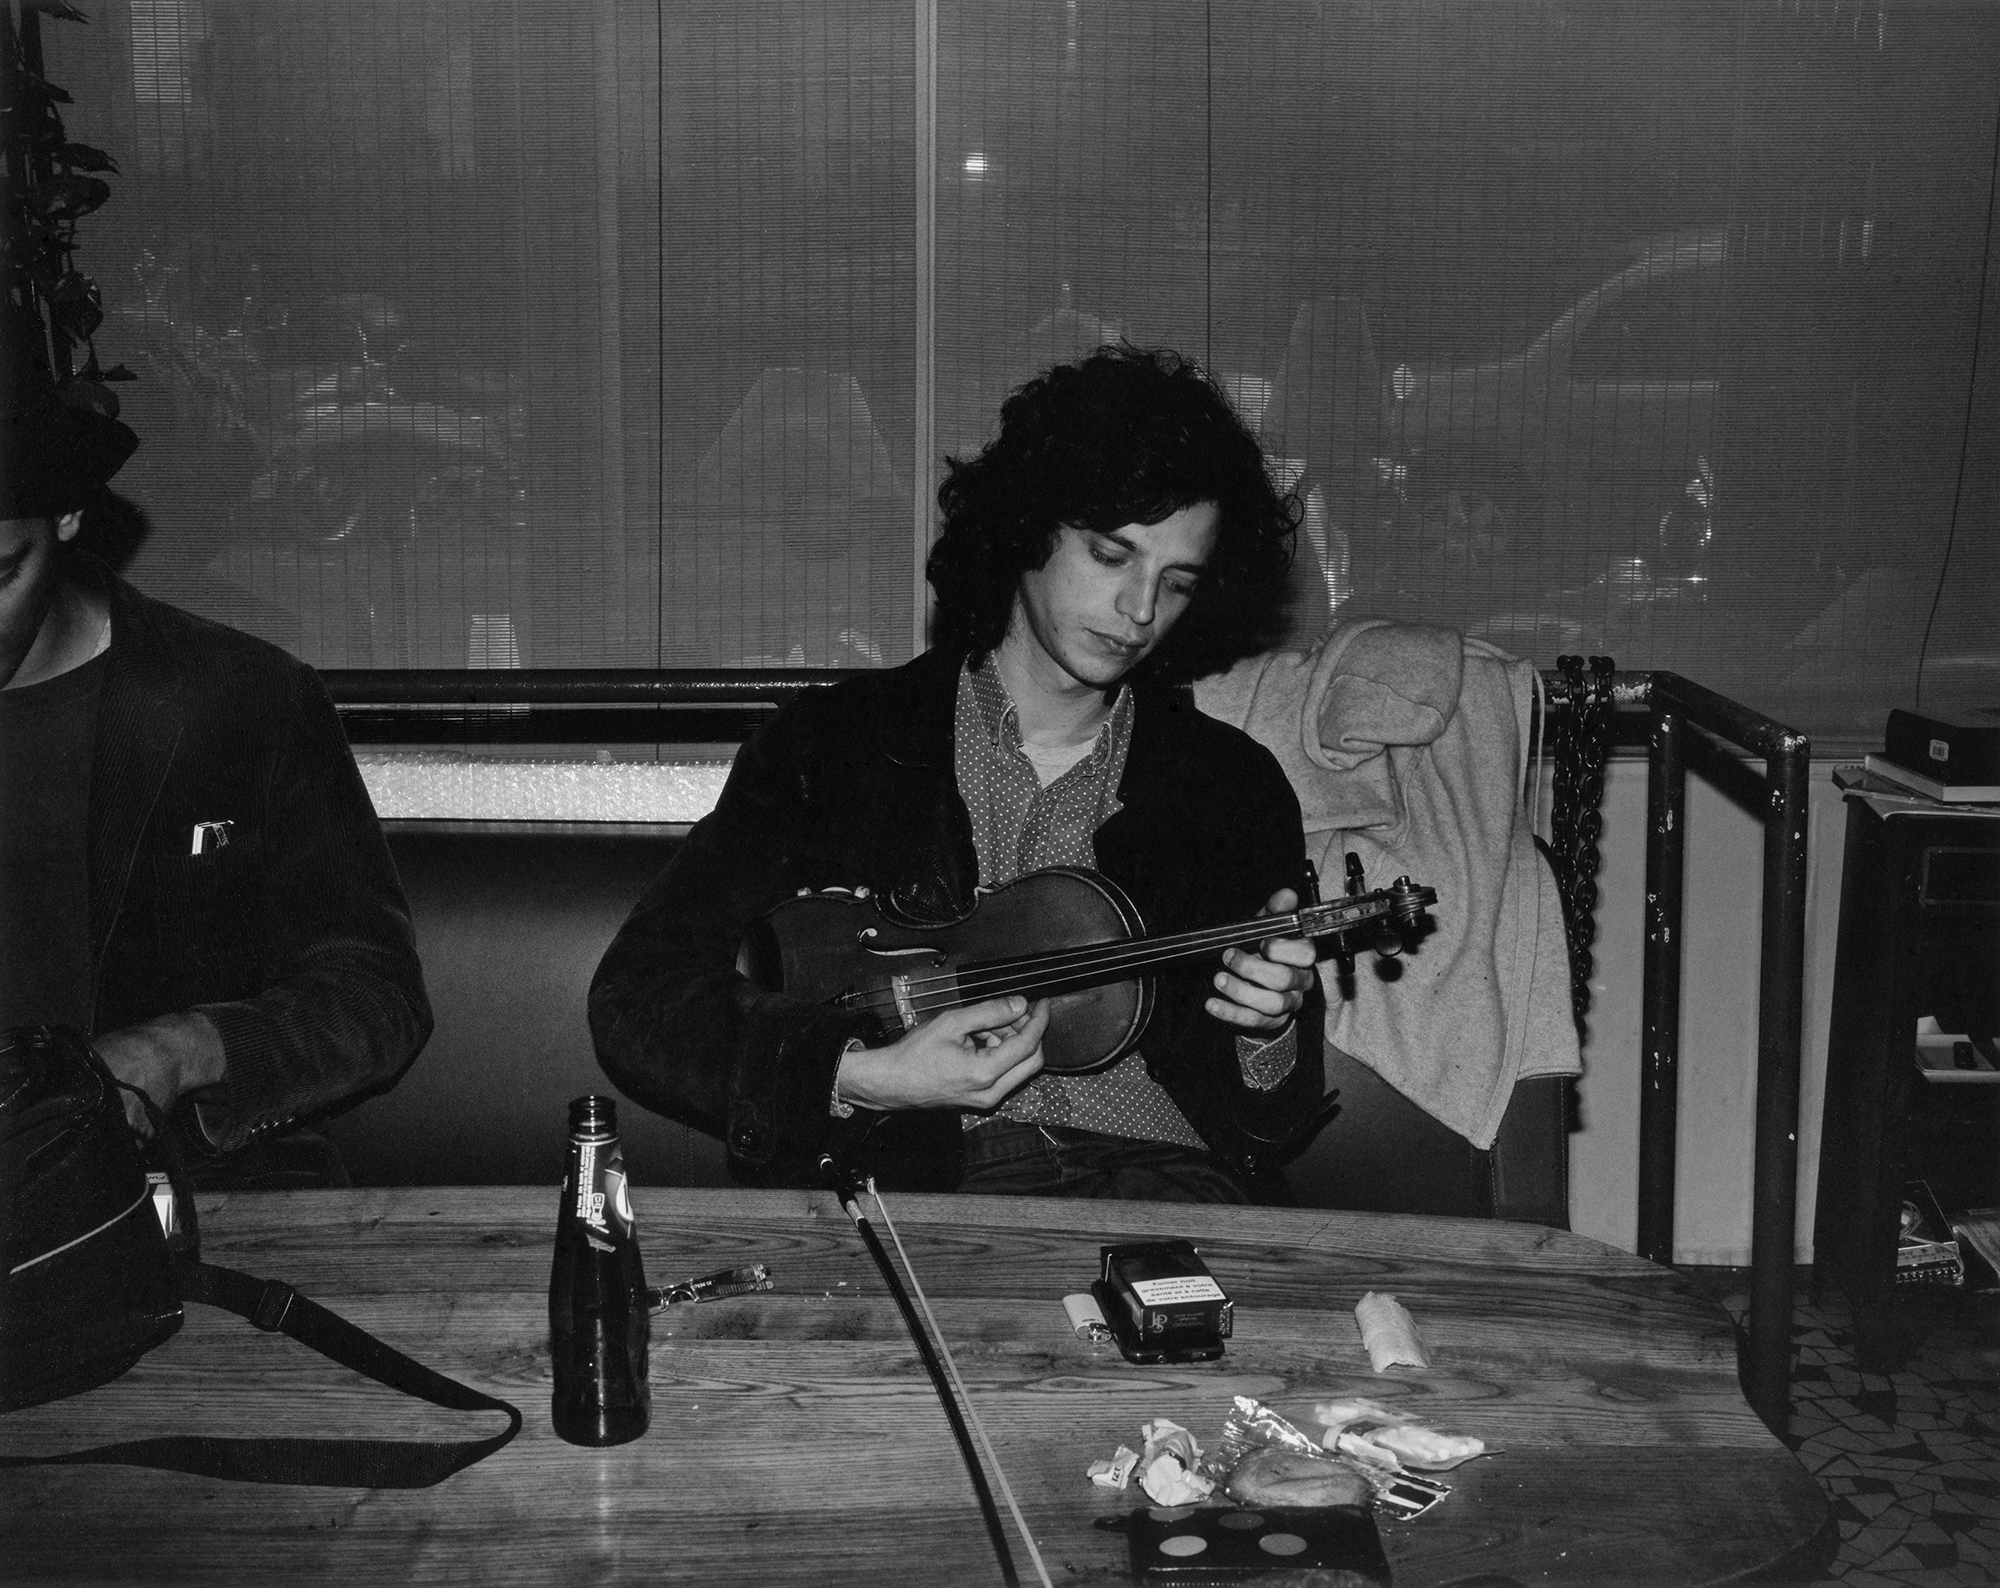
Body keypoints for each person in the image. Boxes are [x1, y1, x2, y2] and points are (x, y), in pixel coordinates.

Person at [590, 346, 1330, 1202]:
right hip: (907, 1190)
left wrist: (1267, 1025)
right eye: (1110, 554)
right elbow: (639, 994)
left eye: (1176, 581)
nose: (1139, 611)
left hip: (1160, 1188)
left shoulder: (1230, 788)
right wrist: (862, 1074)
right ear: (1027, 527)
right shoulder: (834, 746)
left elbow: (1269, 1123)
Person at [0, 371, 432, 1189]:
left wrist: (182, 1050)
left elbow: (375, 995)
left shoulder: (237, 699)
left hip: (187, 1200)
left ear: (65, 516)